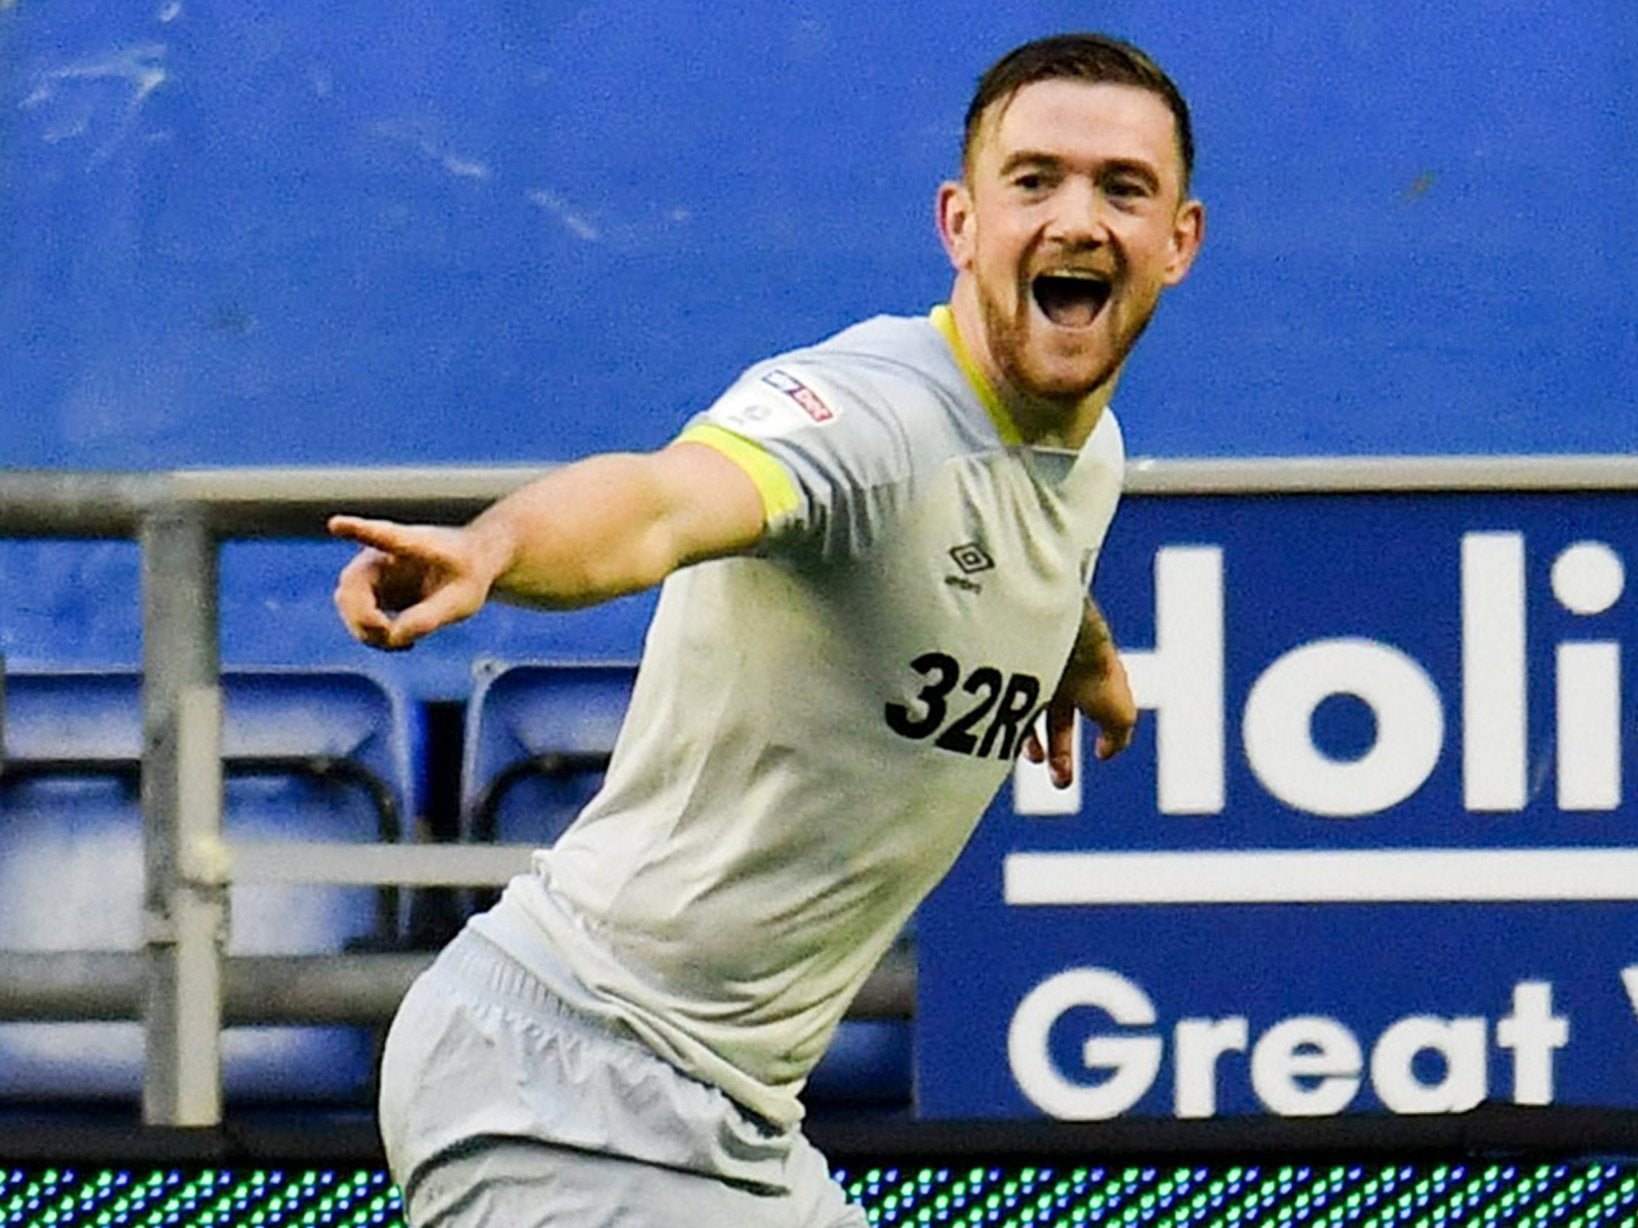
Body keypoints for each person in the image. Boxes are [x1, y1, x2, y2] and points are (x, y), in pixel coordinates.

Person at [332, 30, 1204, 1228]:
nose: (1077, 217)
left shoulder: (1084, 452)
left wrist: (1082, 659)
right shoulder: (869, 418)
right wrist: (496, 550)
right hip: (562, 1075)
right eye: (1035, 179)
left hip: (739, 1124)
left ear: (1178, 242)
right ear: (960, 223)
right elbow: (662, 501)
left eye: (1123, 188)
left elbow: (1019, 540)